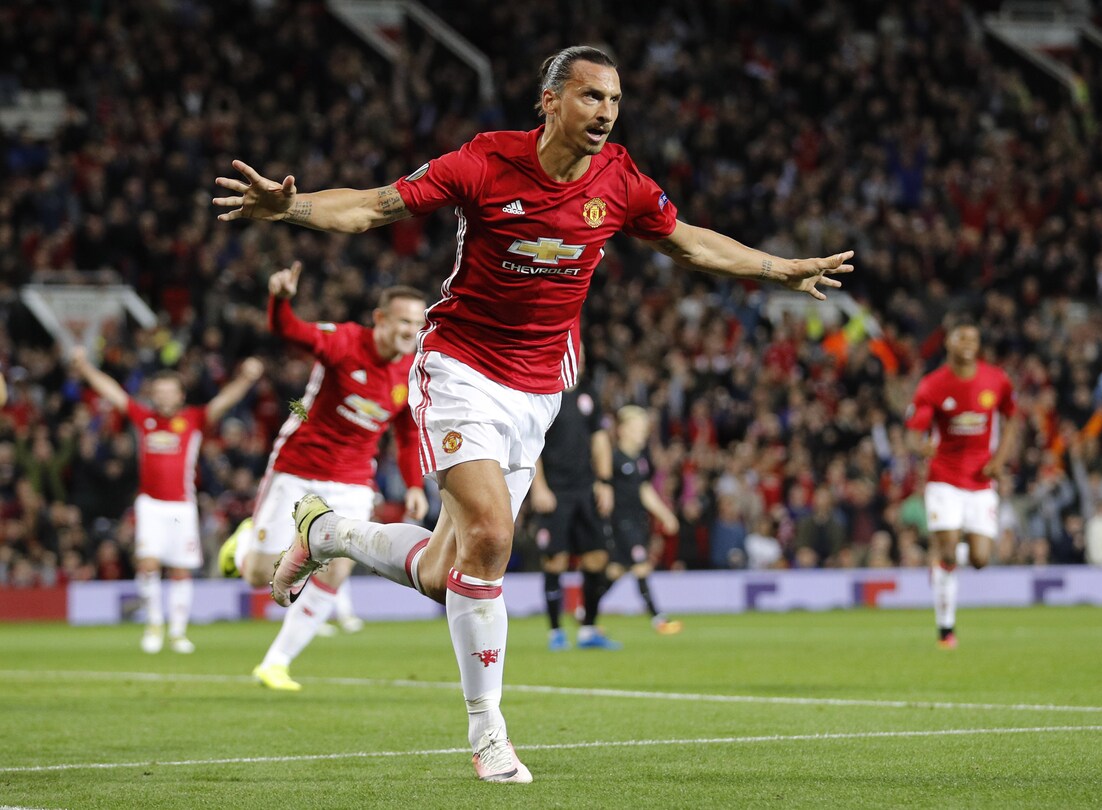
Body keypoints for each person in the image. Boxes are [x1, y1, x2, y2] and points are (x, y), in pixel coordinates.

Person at [214, 45, 853, 783]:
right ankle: (488, 733)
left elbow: (687, 243)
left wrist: (780, 268)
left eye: (614, 100)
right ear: (550, 100)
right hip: (459, 368)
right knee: (492, 535)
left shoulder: (620, 180)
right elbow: (372, 206)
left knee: (446, 572)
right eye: (591, 97)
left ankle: (326, 532)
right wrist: (289, 207)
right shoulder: (485, 162)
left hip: (539, 389)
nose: (606, 113)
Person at [219, 262, 429, 690]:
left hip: (353, 481)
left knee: (334, 570)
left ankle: (276, 663)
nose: (411, 330)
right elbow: (291, 331)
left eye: (417, 323)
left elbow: (407, 435)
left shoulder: (411, 373)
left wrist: (413, 484)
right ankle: (244, 543)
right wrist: (280, 299)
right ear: (380, 318)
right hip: (298, 469)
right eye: (404, 321)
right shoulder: (345, 341)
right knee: (260, 576)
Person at [72, 347, 263, 653]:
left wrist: (246, 378)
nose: (163, 397)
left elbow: (224, 401)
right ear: (153, 395)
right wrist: (84, 368)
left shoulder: (194, 419)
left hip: (181, 506)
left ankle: (177, 632)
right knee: (148, 564)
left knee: (180, 570)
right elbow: (112, 392)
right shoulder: (144, 418)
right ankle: (153, 625)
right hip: (150, 504)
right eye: (158, 392)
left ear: (180, 395)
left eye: (169, 391)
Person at [905, 316, 1020, 649]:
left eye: (973, 339)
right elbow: (914, 431)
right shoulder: (933, 384)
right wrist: (921, 446)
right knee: (949, 549)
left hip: (981, 480)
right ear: (948, 342)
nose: (968, 344)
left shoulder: (996, 380)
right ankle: (946, 630)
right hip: (944, 477)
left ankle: (942, 562)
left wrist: (999, 460)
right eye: (962, 338)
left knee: (981, 559)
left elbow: (1012, 418)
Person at [528, 381, 617, 652]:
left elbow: (600, 439)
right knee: (555, 560)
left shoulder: (588, 395)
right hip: (555, 491)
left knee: (597, 557)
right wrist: (538, 486)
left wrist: (605, 481)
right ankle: (556, 632)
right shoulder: (544, 393)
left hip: (586, 489)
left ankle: (588, 629)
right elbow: (532, 441)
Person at [601, 405, 682, 635]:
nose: (643, 433)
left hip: (637, 521)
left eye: (644, 429)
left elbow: (644, 490)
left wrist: (665, 514)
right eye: (638, 428)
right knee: (641, 566)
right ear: (623, 430)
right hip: (620, 522)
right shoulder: (614, 459)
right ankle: (658, 618)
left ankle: (585, 609)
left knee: (617, 570)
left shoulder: (639, 460)